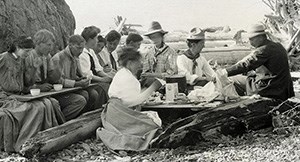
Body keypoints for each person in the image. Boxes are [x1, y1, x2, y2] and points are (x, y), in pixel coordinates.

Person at [0, 36, 65, 152]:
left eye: (30, 51)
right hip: (5, 97)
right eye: (26, 51)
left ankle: (46, 138)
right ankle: (24, 143)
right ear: (18, 47)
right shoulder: (4, 58)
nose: (28, 54)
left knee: (47, 103)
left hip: (18, 95)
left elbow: (27, 83)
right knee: (37, 108)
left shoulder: (21, 60)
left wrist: (34, 68)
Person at [97, 47, 164, 151]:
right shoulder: (127, 77)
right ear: (130, 63)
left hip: (115, 111)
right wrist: (154, 86)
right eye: (138, 62)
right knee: (152, 125)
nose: (140, 65)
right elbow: (133, 101)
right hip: (119, 114)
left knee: (152, 119)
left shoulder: (122, 73)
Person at [217, 23, 294, 101]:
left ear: (260, 37)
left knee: (234, 79)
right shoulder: (278, 46)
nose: (250, 42)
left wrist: (225, 71)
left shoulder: (263, 50)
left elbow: (245, 65)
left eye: (251, 39)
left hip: (269, 89)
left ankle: (242, 102)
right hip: (283, 89)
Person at [24, 29, 87, 121]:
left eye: (52, 45)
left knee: (80, 98)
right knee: (55, 103)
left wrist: (57, 70)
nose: (51, 48)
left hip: (48, 92)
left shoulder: (47, 57)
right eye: (48, 45)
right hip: (35, 93)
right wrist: (39, 86)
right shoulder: (29, 57)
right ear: (38, 43)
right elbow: (26, 82)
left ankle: (61, 122)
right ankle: (60, 124)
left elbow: (53, 79)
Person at [51, 34, 107, 112]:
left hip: (71, 89)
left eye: (82, 48)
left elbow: (76, 75)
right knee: (81, 99)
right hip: (60, 92)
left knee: (93, 94)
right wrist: (76, 83)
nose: (81, 51)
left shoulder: (75, 57)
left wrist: (81, 79)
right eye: (78, 48)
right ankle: (64, 120)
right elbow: (56, 81)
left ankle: (83, 117)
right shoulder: (59, 58)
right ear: (70, 45)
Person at [79, 26, 112, 93]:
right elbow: (86, 74)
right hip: (86, 82)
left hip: (95, 80)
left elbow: (98, 69)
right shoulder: (82, 53)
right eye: (96, 38)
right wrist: (102, 79)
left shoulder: (91, 51)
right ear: (90, 39)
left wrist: (108, 77)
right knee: (103, 87)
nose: (97, 40)